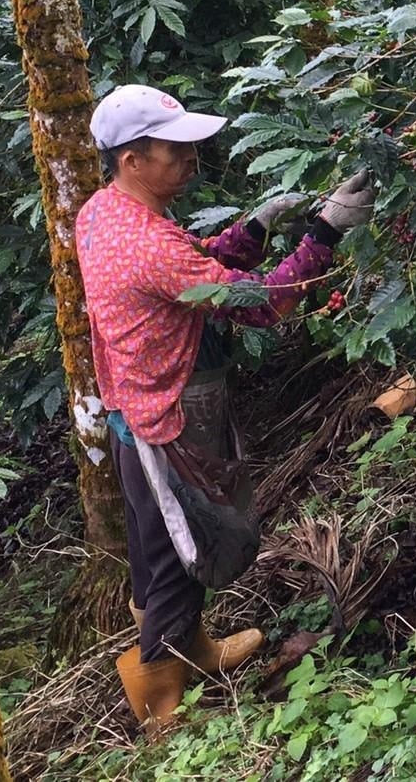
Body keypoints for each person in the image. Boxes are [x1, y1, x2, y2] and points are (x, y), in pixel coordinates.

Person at [75, 84, 377, 732]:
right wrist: (326, 230)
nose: (192, 160)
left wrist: (255, 229)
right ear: (132, 159)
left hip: (135, 413)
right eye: (175, 150)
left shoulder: (104, 213)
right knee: (180, 559)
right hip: (167, 422)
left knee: (154, 547)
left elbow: (192, 274)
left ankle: (195, 651)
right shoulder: (147, 243)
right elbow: (259, 304)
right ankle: (162, 712)